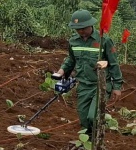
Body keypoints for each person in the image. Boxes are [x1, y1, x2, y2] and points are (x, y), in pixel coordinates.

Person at [53, 9, 124, 141]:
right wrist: (62, 71)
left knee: (93, 116)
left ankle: (98, 141)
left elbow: (114, 64)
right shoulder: (73, 41)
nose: (80, 31)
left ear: (90, 25)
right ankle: (90, 142)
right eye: (77, 29)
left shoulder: (104, 40)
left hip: (100, 85)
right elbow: (71, 60)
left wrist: (117, 86)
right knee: (84, 118)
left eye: (83, 28)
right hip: (84, 85)